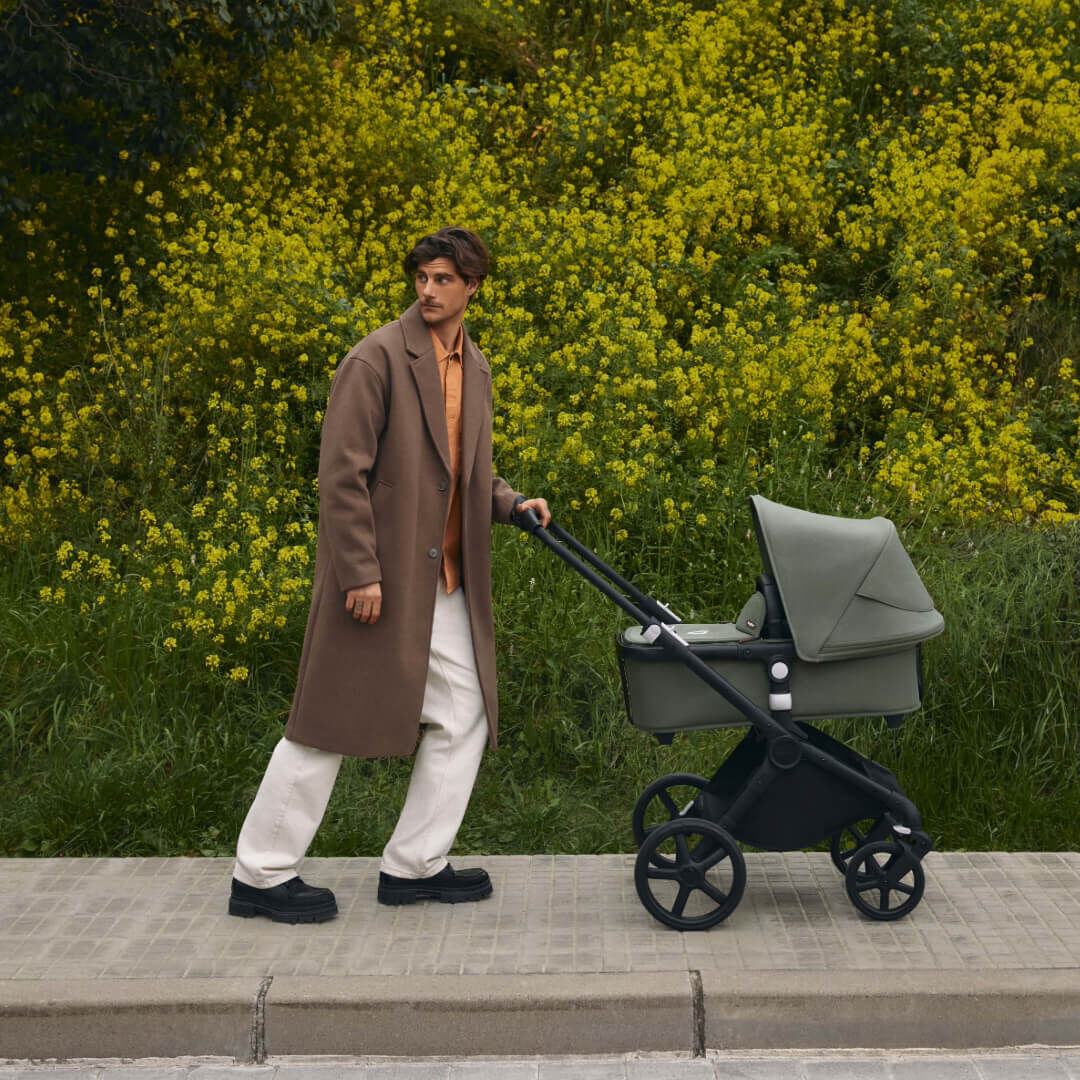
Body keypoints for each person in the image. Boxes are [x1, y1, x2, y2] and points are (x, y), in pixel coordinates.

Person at [228, 227, 550, 923]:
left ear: (473, 287)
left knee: (465, 712)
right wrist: (359, 573)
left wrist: (508, 502)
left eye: (443, 280)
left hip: (442, 580)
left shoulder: (476, 366)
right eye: (421, 278)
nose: (428, 291)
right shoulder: (375, 360)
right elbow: (341, 477)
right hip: (379, 579)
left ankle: (414, 865)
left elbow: (461, 469)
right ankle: (259, 875)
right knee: (326, 722)